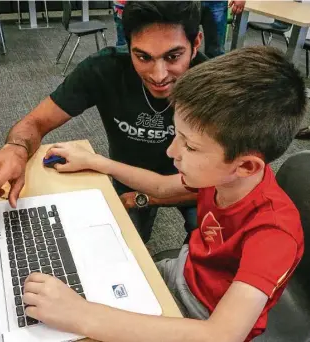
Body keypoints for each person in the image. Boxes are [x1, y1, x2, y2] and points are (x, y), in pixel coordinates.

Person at [28, 46, 306, 341]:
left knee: (75, 322)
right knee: (76, 274)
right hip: (182, 273)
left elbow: (220, 335)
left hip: (202, 318)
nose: (172, 151)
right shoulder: (221, 175)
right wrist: (96, 162)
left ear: (246, 166)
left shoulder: (274, 233)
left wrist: (81, 315)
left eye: (190, 146)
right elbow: (161, 187)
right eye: (178, 136)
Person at [0, 1, 208, 243]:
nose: (159, 75)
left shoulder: (216, 86)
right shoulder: (104, 69)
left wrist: (148, 198)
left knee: (209, 250)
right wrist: (16, 149)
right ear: (128, 46)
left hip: (200, 184)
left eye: (173, 56)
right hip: (126, 179)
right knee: (121, 246)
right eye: (143, 57)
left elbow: (226, 182)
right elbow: (35, 122)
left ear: (196, 43)